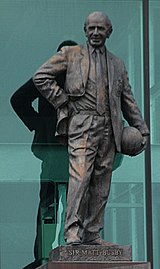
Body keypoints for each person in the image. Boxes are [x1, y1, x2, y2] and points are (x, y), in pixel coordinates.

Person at [32, 12, 149, 247]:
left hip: (109, 127)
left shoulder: (117, 63)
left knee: (101, 182)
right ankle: (72, 232)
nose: (96, 33)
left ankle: (92, 233)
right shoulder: (71, 55)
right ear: (85, 30)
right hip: (82, 125)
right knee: (80, 177)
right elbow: (41, 77)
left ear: (109, 32)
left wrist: (142, 128)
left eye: (101, 29)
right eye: (91, 28)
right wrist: (62, 101)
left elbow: (128, 99)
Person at [10, 40, 77, 269]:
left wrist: (39, 126)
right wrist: (41, 125)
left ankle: (48, 253)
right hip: (60, 152)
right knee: (57, 204)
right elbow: (17, 100)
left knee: (51, 203)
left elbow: (18, 100)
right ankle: (48, 254)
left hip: (64, 151)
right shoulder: (49, 77)